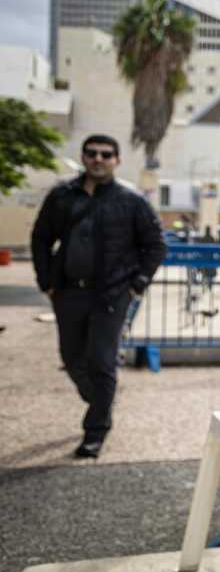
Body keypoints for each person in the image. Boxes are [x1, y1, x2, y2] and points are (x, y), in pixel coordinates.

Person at [31, 134, 166, 458]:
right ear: (84, 156)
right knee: (71, 358)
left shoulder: (131, 200)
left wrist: (139, 282)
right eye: (91, 153)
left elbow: (156, 244)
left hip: (112, 294)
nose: (98, 159)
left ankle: (95, 430)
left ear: (116, 160)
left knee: (102, 361)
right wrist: (46, 281)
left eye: (106, 154)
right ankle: (102, 399)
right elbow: (40, 238)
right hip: (68, 293)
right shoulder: (62, 196)